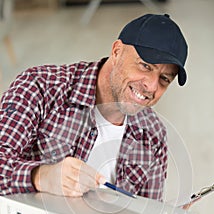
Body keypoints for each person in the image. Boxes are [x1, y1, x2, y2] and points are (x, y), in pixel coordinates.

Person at [0, 13, 188, 200]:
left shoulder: (153, 134)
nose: (152, 86)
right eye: (145, 66)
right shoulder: (40, 87)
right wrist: (41, 177)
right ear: (116, 51)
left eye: (164, 79)